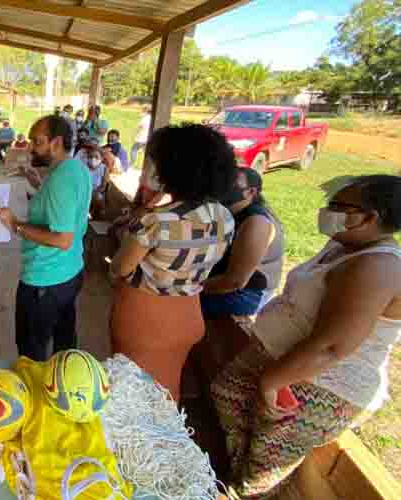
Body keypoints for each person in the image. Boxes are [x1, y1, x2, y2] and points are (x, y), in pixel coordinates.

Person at [211, 175, 401, 499]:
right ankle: (232, 477)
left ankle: (245, 489)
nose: (328, 212)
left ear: (371, 217)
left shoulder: (377, 266)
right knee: (228, 396)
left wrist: (272, 381)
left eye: (340, 207)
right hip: (283, 359)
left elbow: (332, 346)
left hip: (321, 381)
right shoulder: (344, 245)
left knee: (264, 464)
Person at [109, 124, 236, 400]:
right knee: (167, 388)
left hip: (145, 318)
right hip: (189, 314)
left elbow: (119, 268)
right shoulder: (223, 216)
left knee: (132, 393)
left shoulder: (156, 220)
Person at [0, 115, 92, 361]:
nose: (30, 147)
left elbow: (62, 239)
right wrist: (37, 183)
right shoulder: (75, 168)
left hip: (45, 281)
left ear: (56, 143)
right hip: (69, 271)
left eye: (37, 142)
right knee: (64, 341)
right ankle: (61, 388)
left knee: (32, 352)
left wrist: (14, 224)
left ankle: (37, 392)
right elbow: (63, 207)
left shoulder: (61, 179)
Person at [201, 168, 283, 318]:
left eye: (231, 183)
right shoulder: (227, 211)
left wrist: (188, 288)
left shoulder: (256, 222)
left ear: (250, 192)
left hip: (247, 294)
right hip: (221, 280)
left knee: (176, 304)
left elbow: (235, 282)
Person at [85, 147, 108, 219]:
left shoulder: (104, 169)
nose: (93, 159)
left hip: (96, 191)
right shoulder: (84, 167)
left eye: (96, 157)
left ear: (101, 158)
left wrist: (94, 192)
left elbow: (103, 186)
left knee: (98, 197)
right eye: (91, 157)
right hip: (85, 190)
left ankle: (97, 211)